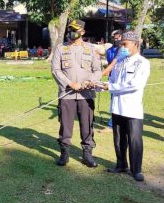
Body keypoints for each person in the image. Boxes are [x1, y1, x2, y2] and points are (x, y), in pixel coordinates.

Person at [51, 19, 102, 167]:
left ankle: (87, 155)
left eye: (75, 29)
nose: (72, 32)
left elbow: (97, 70)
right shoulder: (61, 48)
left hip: (86, 94)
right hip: (67, 94)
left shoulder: (91, 49)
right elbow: (55, 70)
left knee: (87, 125)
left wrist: (89, 81)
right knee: (66, 125)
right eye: (70, 29)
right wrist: (69, 83)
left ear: (82, 32)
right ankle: (64, 154)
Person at [103, 31, 150, 181]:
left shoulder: (142, 63)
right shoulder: (120, 62)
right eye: (121, 44)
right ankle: (121, 164)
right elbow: (112, 81)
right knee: (118, 139)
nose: (122, 47)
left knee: (134, 140)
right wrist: (98, 85)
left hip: (132, 108)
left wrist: (109, 87)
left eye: (125, 44)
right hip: (117, 107)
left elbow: (134, 85)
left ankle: (136, 170)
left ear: (136, 44)